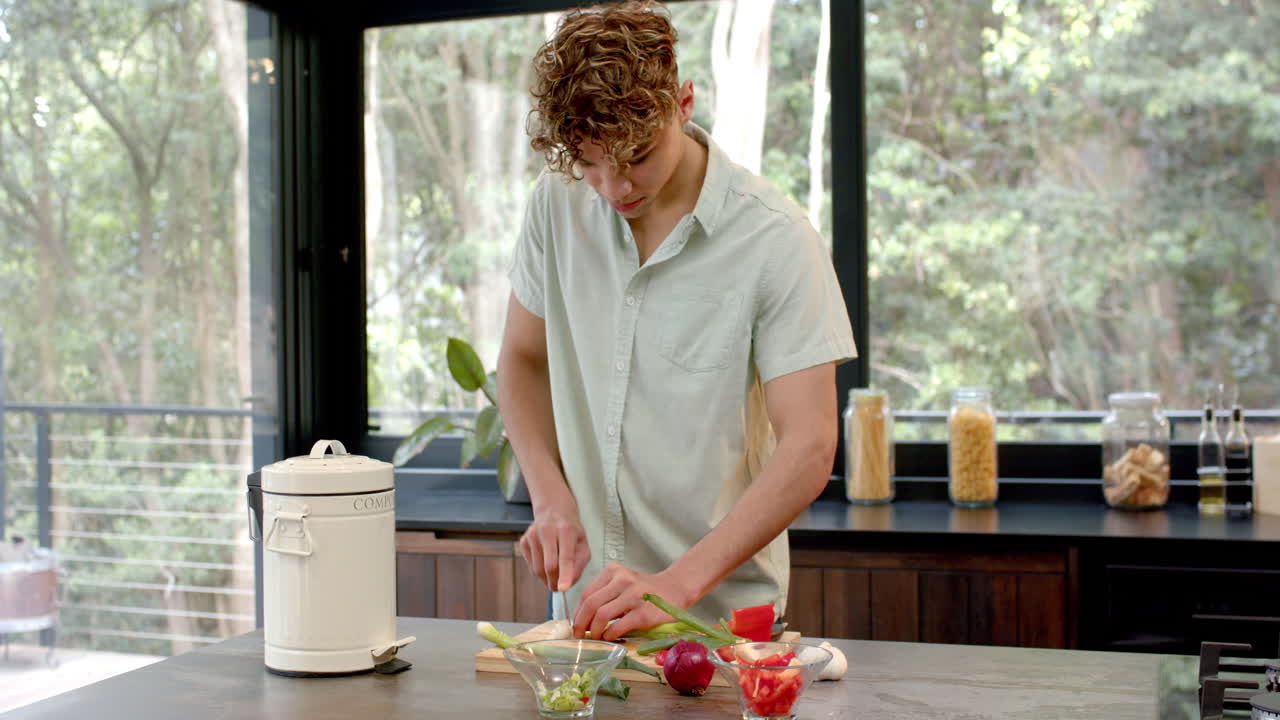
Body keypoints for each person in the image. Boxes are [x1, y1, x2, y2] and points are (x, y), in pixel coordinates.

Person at [497, 0, 855, 642]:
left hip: (723, 627)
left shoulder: (775, 239)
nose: (613, 186)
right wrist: (550, 497)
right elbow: (522, 360)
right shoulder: (556, 208)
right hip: (586, 625)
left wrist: (675, 586)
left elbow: (810, 446)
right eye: (590, 161)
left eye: (636, 156)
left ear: (683, 103)